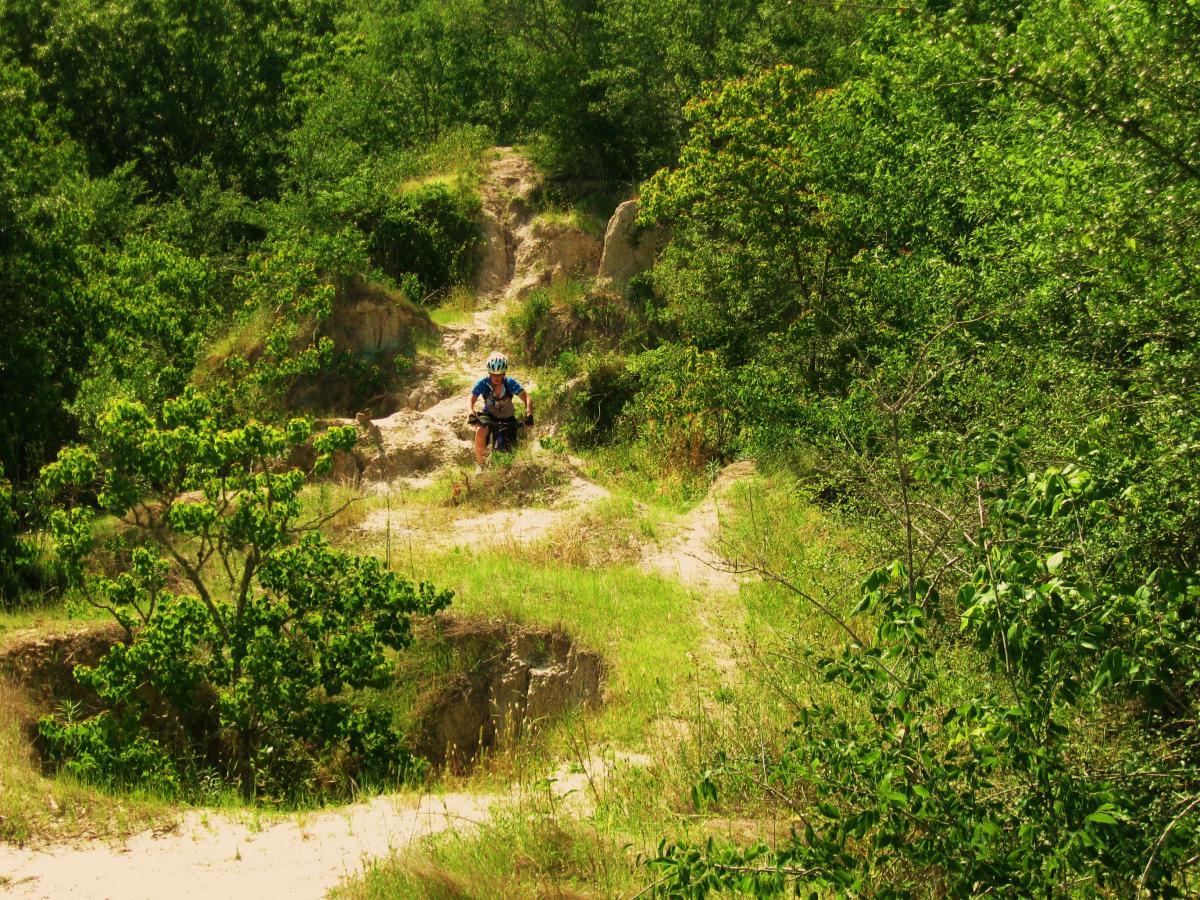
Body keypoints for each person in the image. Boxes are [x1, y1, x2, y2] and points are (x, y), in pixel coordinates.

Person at [469, 352, 533, 472]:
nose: (496, 377)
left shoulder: (510, 383)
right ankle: (481, 465)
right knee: (481, 429)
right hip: (489, 416)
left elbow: (527, 398)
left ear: (504, 373)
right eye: (493, 374)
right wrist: (471, 413)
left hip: (507, 418)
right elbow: (471, 399)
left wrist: (529, 415)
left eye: (499, 374)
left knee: (509, 452)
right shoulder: (483, 383)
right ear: (488, 372)